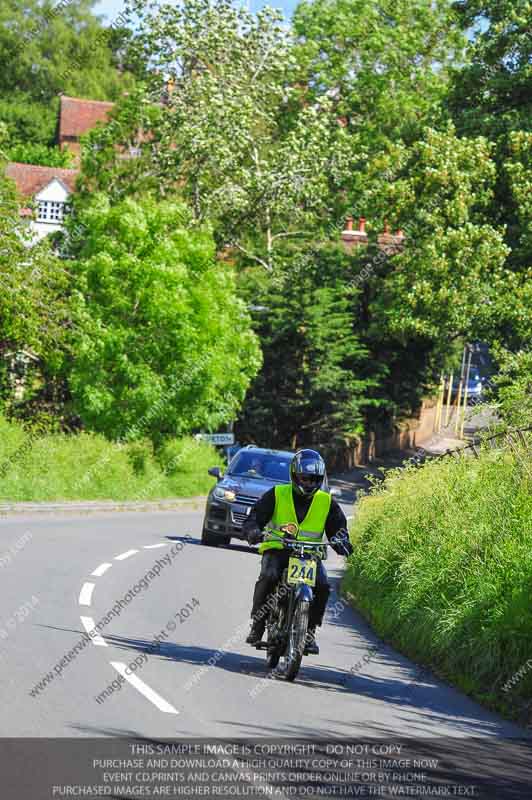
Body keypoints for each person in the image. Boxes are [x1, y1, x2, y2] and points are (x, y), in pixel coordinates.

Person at [242, 448, 353, 655]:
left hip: (308, 556)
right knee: (269, 576)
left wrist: (342, 541)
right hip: (278, 550)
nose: (309, 483)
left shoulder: (326, 501)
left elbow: (338, 528)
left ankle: (309, 632)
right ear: (294, 475)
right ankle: (258, 624)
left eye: (314, 479)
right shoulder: (277, 493)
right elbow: (255, 517)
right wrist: (253, 530)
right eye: (304, 478)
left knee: (322, 586)